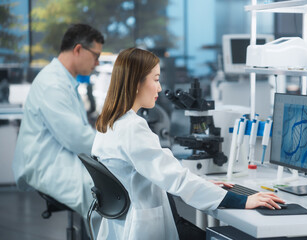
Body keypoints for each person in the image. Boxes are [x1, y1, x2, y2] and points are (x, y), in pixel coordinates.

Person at [92, 47, 284, 239]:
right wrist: (241, 201)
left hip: (120, 227)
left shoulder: (108, 124)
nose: (159, 88)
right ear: (135, 84)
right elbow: (176, 179)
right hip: (143, 229)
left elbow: (158, 170)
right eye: (156, 79)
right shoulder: (133, 128)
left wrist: (201, 183)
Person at [13, 24, 104, 218]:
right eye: (96, 56)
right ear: (78, 49)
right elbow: (76, 138)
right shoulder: (52, 84)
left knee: (109, 186)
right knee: (103, 197)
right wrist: (112, 146)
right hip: (46, 164)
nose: (96, 64)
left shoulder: (64, 80)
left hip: (59, 157)